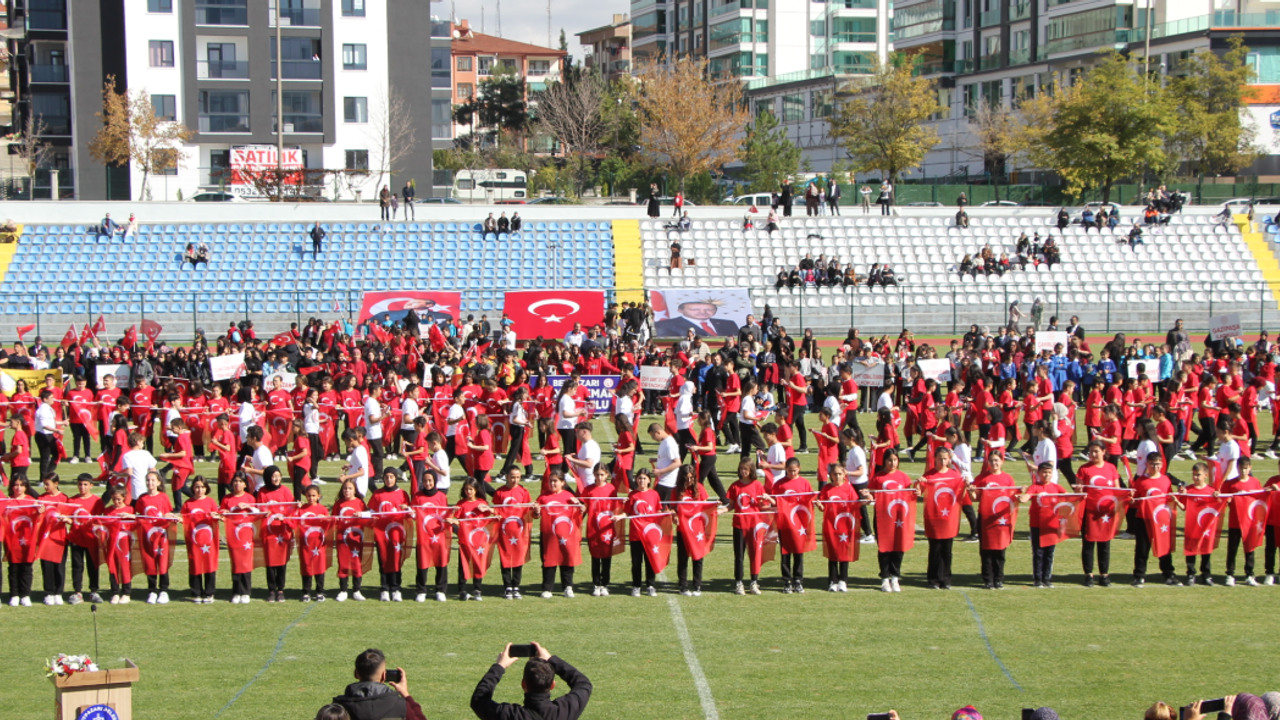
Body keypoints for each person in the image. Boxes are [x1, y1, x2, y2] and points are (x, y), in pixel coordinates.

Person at [470, 642, 592, 720]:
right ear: (552, 685)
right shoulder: (564, 711)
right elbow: (583, 684)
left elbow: (478, 700)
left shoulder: (509, 715)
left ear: (523, 684)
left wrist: (500, 666)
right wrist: (551, 659)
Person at [332, 648, 426, 720]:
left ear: (356, 673)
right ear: (384, 675)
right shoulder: (401, 706)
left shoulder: (338, 708)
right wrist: (406, 695)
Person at [654, 299, 739, 338]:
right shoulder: (665, 325)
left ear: (715, 311)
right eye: (695, 309)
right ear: (680, 310)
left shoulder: (729, 324)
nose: (702, 312)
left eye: (709, 309)